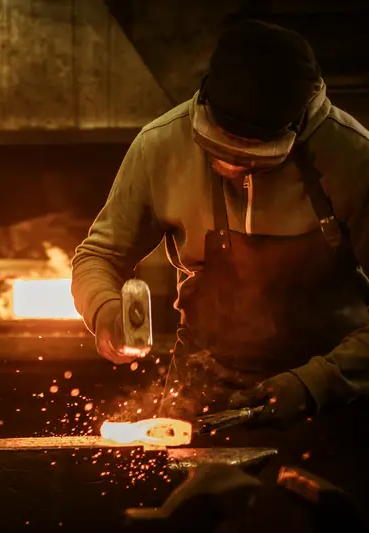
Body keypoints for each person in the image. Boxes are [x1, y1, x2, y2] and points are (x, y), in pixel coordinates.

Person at [71, 20, 369, 496]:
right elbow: (98, 255)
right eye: (218, 148)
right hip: (202, 400)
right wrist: (105, 310)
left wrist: (317, 382)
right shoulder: (161, 146)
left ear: (296, 125)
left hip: (330, 406)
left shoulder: (354, 157)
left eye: (252, 157)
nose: (230, 165)